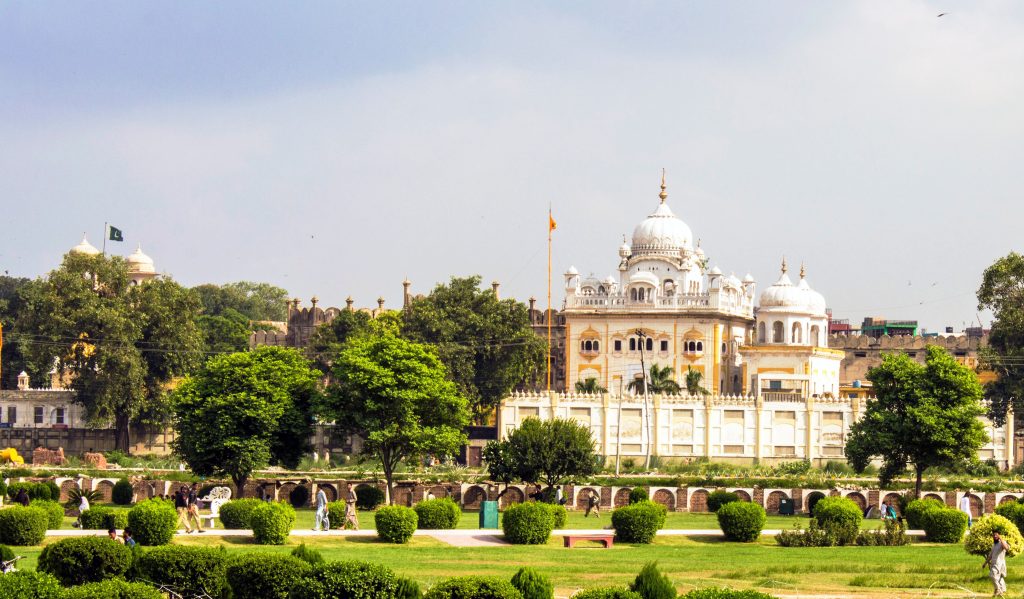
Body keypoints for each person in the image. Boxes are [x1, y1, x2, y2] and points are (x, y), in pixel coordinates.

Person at [985, 530, 1010, 597]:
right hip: (994, 564)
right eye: (994, 535)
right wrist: (985, 563)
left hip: (999, 564)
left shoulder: (1002, 542)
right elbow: (990, 555)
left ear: (999, 535)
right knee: (999, 578)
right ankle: (1000, 591)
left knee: (992, 575)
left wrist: (1001, 539)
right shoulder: (994, 545)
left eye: (996, 535)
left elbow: (1006, 548)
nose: (995, 536)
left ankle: (998, 589)